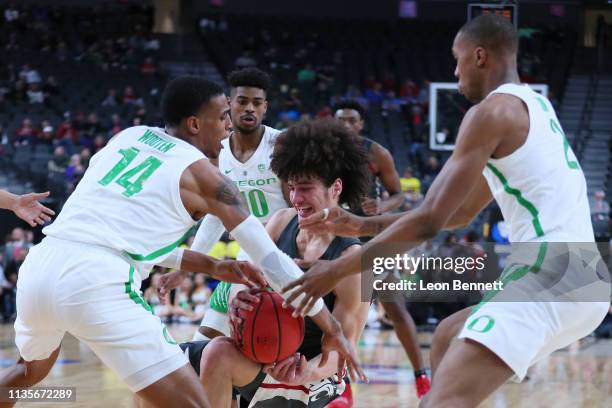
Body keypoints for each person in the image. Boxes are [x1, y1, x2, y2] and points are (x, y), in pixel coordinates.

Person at [282, 15, 611, 407]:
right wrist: (361, 223)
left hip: (549, 276)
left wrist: (335, 270)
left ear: (480, 56)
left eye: (457, 61)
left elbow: (430, 220)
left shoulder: (490, 113)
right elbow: (459, 215)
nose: (455, 73)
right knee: (447, 335)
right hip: (586, 276)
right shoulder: (536, 107)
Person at [0, 76, 361, 408]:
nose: (229, 126)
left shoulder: (127, 136)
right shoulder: (208, 177)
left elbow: (124, 238)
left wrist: (213, 266)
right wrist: (332, 328)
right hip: (96, 281)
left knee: (26, 374)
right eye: (222, 117)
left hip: (42, 266)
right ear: (194, 124)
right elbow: (270, 261)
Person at [181, 118, 370, 408]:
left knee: (218, 353)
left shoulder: (356, 262)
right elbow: (245, 277)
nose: (295, 198)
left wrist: (308, 371)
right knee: (158, 363)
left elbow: (343, 348)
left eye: (305, 188)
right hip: (261, 353)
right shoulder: (281, 222)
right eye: (291, 188)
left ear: (336, 188)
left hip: (310, 376)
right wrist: (237, 300)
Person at [164, 67, 289, 341]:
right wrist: (186, 270)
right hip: (249, 257)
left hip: (286, 251)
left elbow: (299, 209)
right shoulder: (215, 151)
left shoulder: (281, 144)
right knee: (205, 339)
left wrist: (267, 230)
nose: (249, 109)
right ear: (229, 105)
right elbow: (214, 217)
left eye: (256, 103)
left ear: (265, 107)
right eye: (242, 101)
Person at [334, 101, 431, 397]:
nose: (346, 125)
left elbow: (399, 195)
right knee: (340, 313)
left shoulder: (376, 153)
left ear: (361, 124)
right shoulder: (322, 150)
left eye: (352, 120)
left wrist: (382, 205)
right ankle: (340, 384)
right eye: (341, 120)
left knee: (395, 308)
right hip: (338, 235)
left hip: (372, 238)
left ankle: (420, 375)